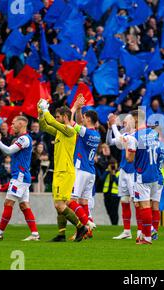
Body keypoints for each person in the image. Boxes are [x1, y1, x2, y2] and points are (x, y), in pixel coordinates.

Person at [37, 99, 89, 242]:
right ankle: (61, 234)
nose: (56, 119)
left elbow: (52, 123)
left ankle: (81, 227)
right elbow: (44, 127)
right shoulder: (60, 131)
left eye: (58, 116)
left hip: (65, 172)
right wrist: (41, 114)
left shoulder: (70, 131)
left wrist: (46, 111)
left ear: (65, 117)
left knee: (59, 205)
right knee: (59, 205)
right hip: (59, 171)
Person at [0, 116, 40, 241]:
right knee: (24, 205)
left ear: (21, 124)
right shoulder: (22, 139)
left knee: (8, 203)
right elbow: (8, 151)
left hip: (20, 176)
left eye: (14, 124)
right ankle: (35, 234)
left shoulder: (24, 139)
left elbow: (8, 151)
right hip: (23, 176)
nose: (12, 126)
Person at [125, 109, 161, 245]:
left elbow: (130, 159)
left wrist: (126, 147)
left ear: (135, 120)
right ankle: (145, 234)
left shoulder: (135, 136)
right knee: (144, 204)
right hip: (154, 174)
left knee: (144, 206)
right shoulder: (154, 134)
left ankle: (147, 237)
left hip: (142, 174)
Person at [68, 96, 100, 239]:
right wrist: (81, 109)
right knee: (84, 202)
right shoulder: (96, 134)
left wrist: (74, 107)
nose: (83, 119)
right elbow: (80, 123)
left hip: (80, 169)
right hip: (91, 172)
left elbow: (68, 122)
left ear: (88, 120)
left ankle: (87, 223)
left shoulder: (85, 132)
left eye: (84, 117)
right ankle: (87, 232)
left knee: (71, 200)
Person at [108, 113, 137, 240]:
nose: (123, 123)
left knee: (137, 203)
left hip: (134, 173)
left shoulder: (136, 135)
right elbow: (110, 141)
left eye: (125, 121)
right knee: (124, 201)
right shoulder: (125, 135)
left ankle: (142, 231)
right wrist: (110, 129)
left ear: (132, 122)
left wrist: (113, 124)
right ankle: (127, 231)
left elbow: (120, 139)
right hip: (124, 171)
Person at [103, 159, 120, 225]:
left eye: (114, 163)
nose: (112, 165)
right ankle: (113, 223)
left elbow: (118, 182)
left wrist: (113, 174)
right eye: (111, 164)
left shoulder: (118, 173)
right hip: (107, 194)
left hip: (115, 195)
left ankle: (115, 224)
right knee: (109, 211)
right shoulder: (107, 171)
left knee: (114, 211)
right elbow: (101, 178)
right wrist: (108, 171)